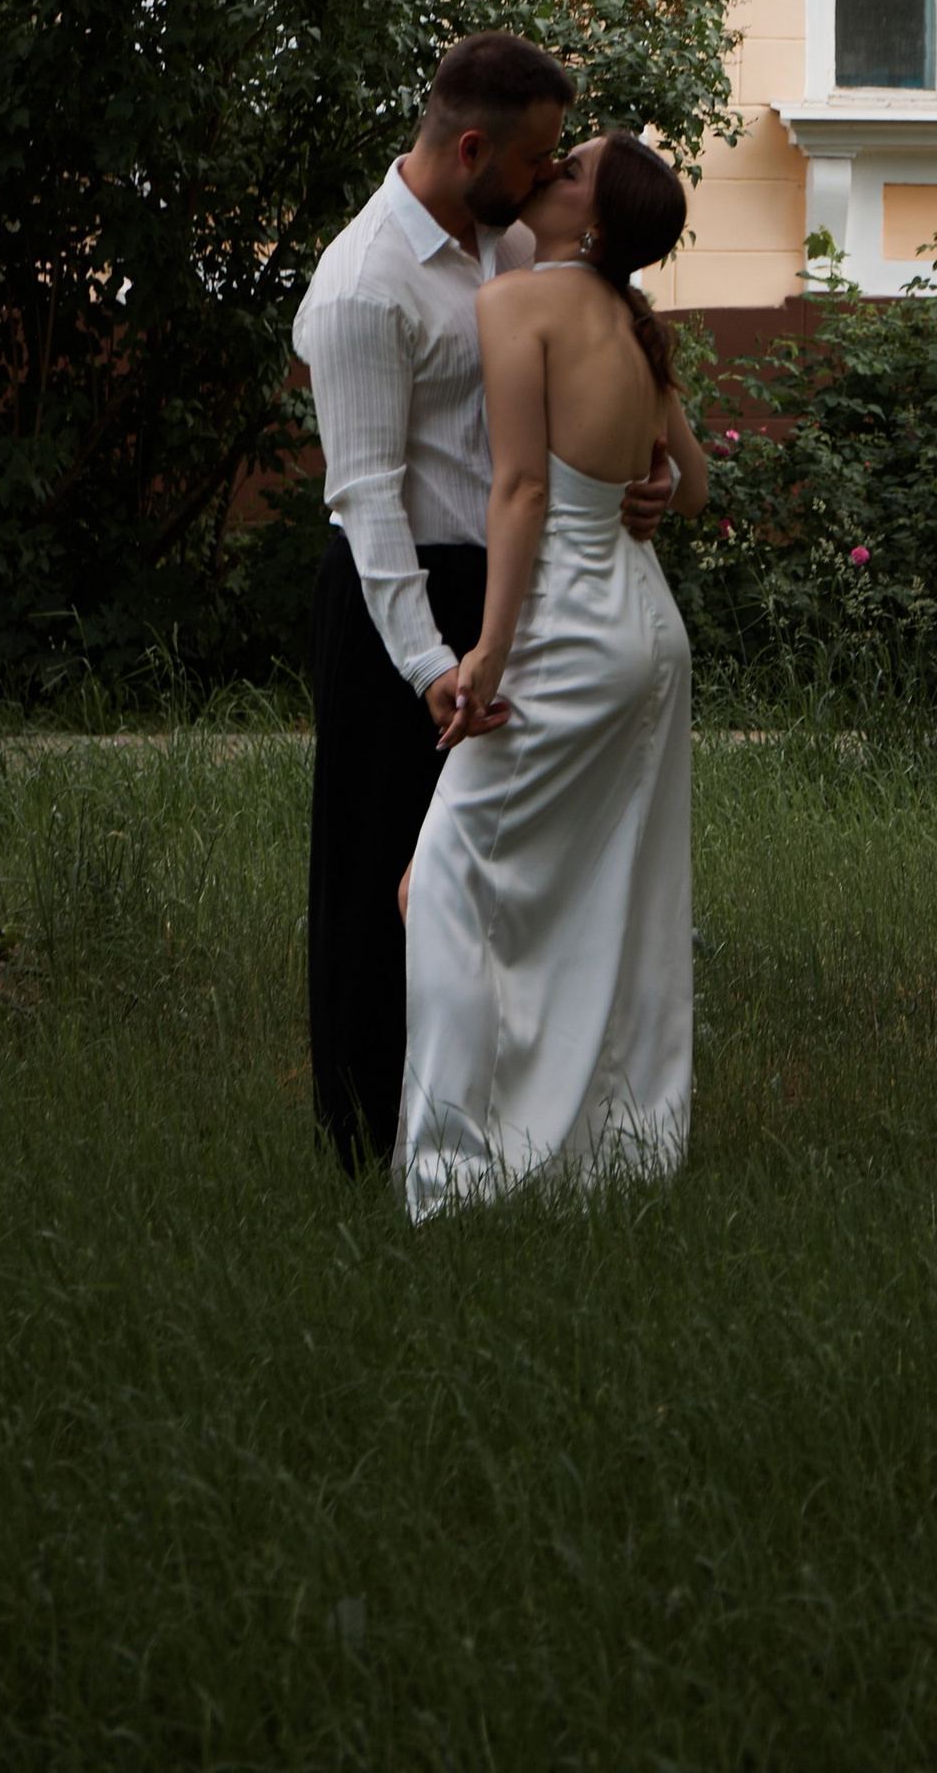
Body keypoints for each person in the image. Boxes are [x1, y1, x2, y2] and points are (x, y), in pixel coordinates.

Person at [296, 36, 674, 1169]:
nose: (551, 175)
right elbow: (365, 499)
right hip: (396, 606)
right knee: (377, 878)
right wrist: (428, 667)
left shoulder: (512, 242)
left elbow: (579, 397)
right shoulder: (364, 284)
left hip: (515, 597)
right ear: (474, 150)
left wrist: (639, 478)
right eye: (540, 157)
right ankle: (365, 1141)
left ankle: (493, 1113)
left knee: (481, 876)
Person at [395, 130, 707, 1217]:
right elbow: (696, 481)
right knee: (607, 895)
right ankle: (601, 1150)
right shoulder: (632, 323)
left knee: (437, 886)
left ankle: (460, 1175)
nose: (547, 174)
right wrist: (655, 478)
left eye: (568, 170)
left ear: (598, 222)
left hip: (566, 639)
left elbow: (520, 490)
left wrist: (485, 651)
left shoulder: (517, 304)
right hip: (650, 641)